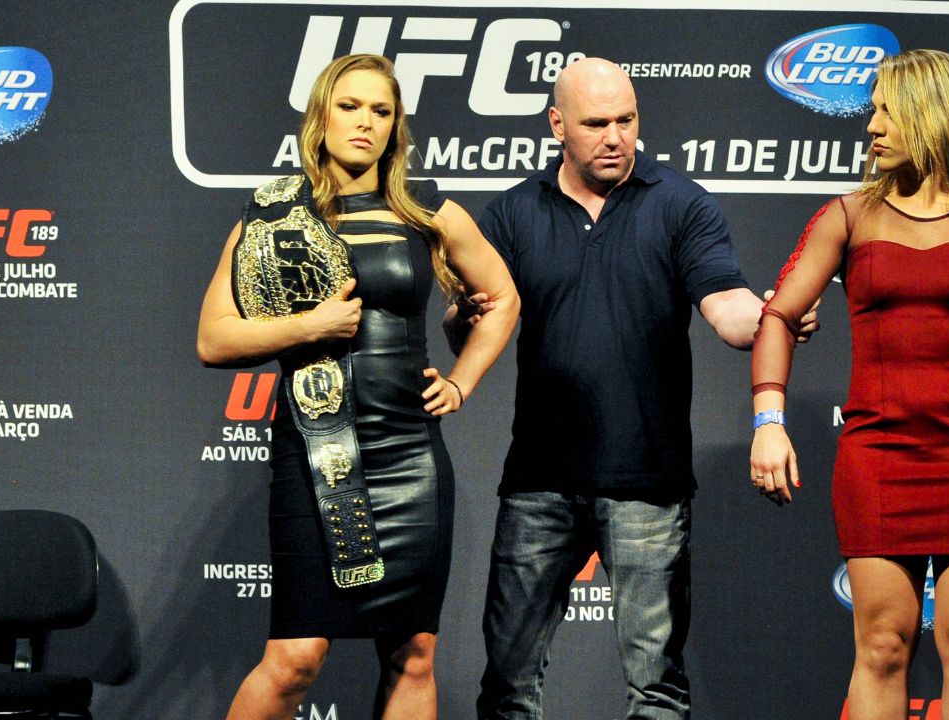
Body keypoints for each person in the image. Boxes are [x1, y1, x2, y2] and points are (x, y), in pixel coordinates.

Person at [454, 57, 814, 720]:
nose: (615, 136)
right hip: (538, 480)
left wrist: (772, 317)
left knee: (657, 691)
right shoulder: (511, 214)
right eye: (596, 124)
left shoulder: (680, 204)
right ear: (557, 123)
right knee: (507, 688)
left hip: (649, 483)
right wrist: (462, 316)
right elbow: (473, 323)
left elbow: (726, 305)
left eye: (627, 119)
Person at [196, 54, 518, 720]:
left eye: (381, 110)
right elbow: (214, 338)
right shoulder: (276, 212)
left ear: (395, 125)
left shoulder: (427, 212)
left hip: (409, 453)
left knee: (414, 653)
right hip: (317, 453)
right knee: (295, 659)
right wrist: (308, 324)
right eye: (350, 106)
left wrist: (461, 382)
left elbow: (503, 294)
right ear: (320, 116)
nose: (365, 122)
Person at [749, 49, 949, 719]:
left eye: (886, 113)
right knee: (882, 648)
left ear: (930, 115)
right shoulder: (849, 216)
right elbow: (777, 315)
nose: (871, 129)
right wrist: (768, 422)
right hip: (879, 455)